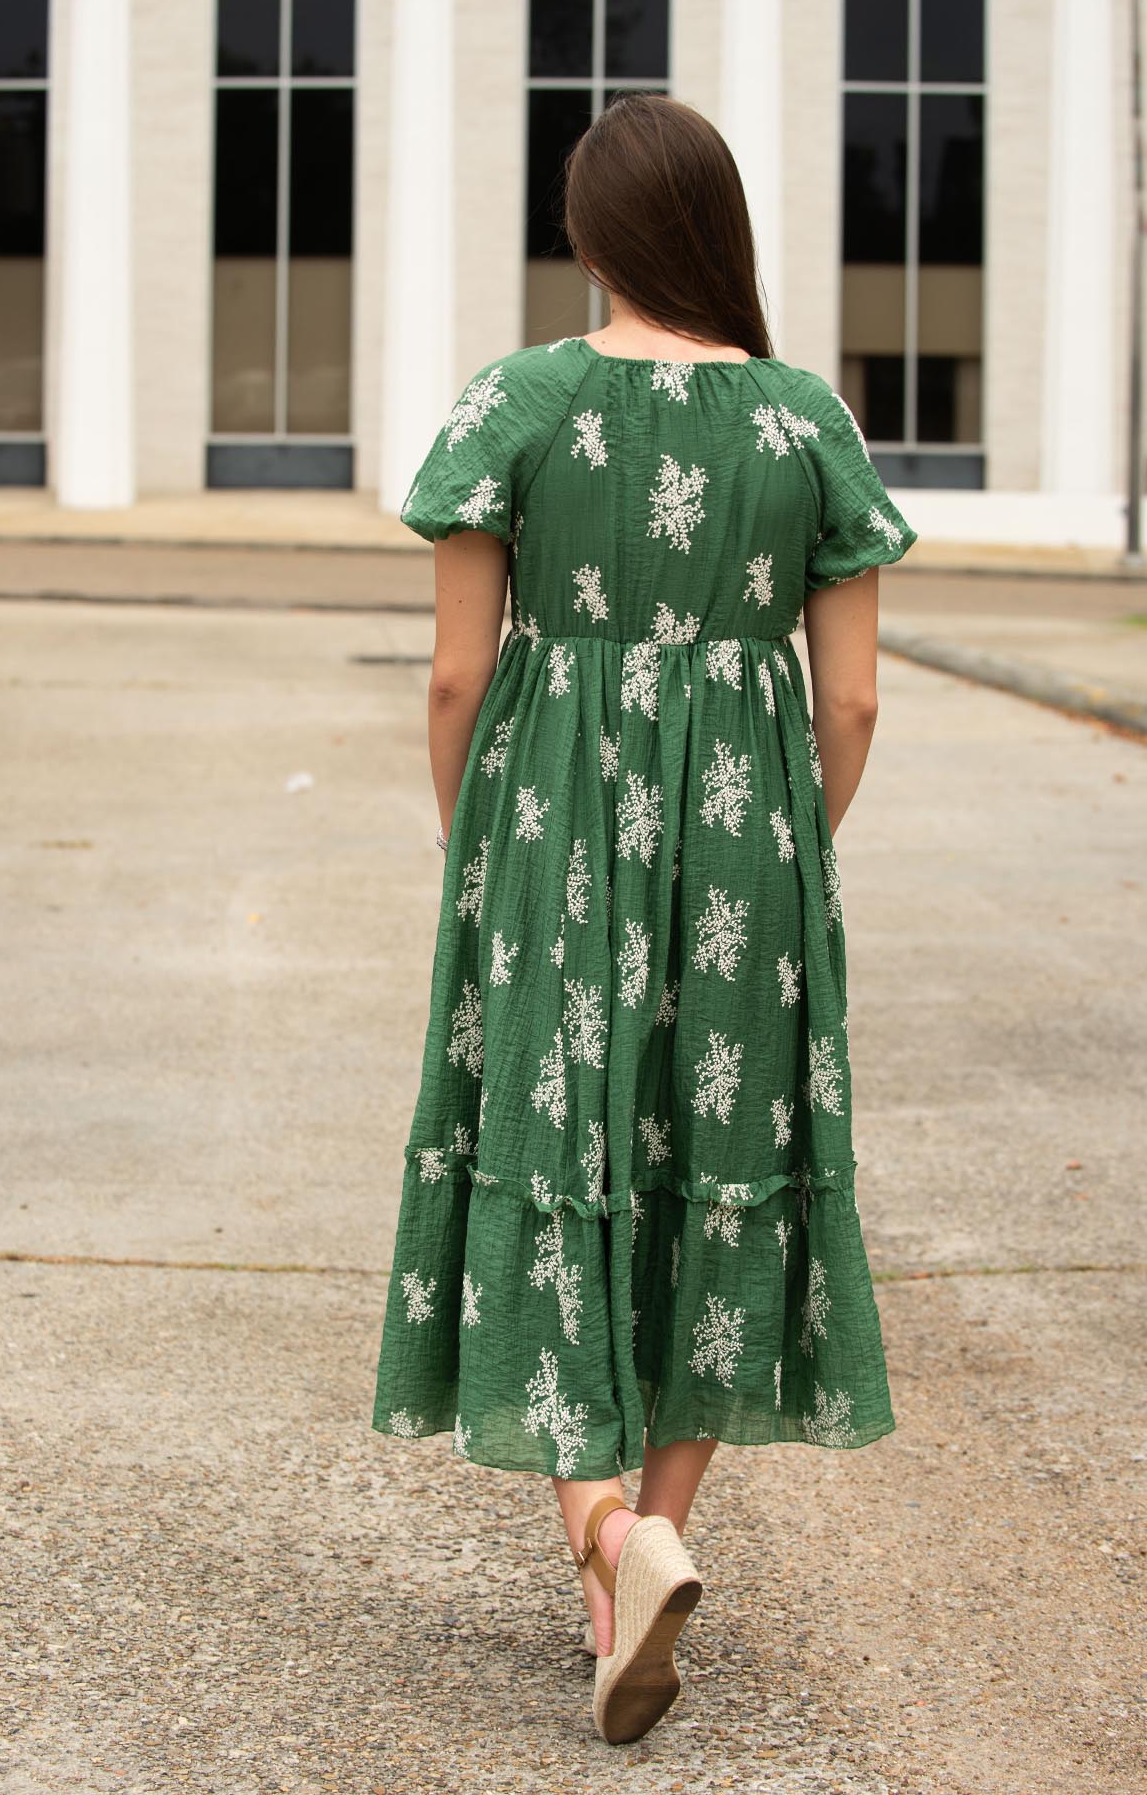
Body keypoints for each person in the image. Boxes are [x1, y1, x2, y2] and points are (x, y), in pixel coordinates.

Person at [370, 91, 918, 1745]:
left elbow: (461, 671)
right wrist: (779, 858)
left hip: (550, 842)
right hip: (755, 856)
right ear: (722, 236)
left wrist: (487, 845)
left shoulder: (519, 404)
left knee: (554, 1153)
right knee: (720, 1174)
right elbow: (860, 706)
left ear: (593, 238)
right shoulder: (807, 419)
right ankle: (641, 1552)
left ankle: (607, 1533)